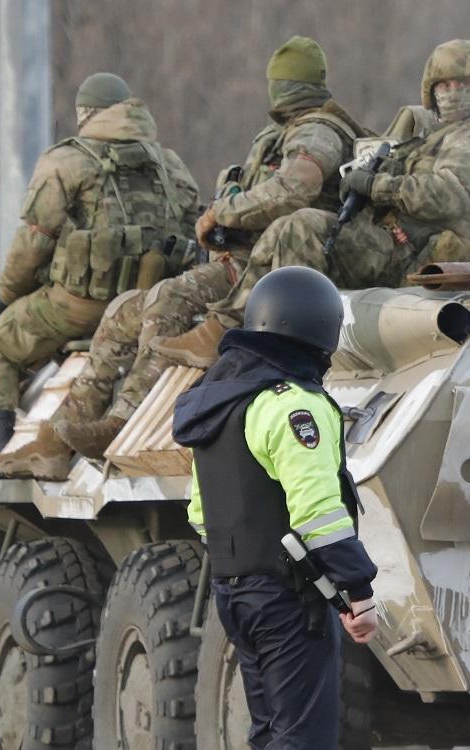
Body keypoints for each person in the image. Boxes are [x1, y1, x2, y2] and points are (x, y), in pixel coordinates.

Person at [20, 36, 369, 467]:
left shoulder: (318, 131)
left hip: (281, 268)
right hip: (245, 260)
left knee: (167, 300)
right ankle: (84, 429)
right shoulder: (278, 134)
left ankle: (131, 418)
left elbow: (297, 188)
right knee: (141, 305)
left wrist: (226, 211)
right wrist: (227, 213)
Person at [152, 38, 470, 368]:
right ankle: (227, 330)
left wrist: (377, 184)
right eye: (443, 87)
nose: (452, 94)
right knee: (286, 230)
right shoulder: (448, 134)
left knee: (300, 227)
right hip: (400, 240)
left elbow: (448, 194)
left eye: (463, 86)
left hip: (421, 253)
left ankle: (271, 351)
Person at [173, 266, 378, 749]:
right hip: (289, 600)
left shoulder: (221, 402)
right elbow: (318, 511)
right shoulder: (291, 405)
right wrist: (357, 590)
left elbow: (201, 512)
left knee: (269, 733)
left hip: (235, 593)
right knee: (302, 739)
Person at [0, 72, 200, 478]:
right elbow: (192, 226)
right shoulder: (168, 162)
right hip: (152, 306)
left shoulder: (66, 160)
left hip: (82, 306)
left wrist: (5, 297)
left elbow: (33, 243)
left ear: (85, 113)